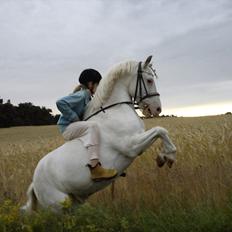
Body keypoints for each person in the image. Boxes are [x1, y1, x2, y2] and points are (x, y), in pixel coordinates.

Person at [56, 69, 118, 181]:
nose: (100, 88)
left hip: (73, 127)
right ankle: (95, 169)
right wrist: (75, 118)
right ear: (90, 84)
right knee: (92, 126)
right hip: (67, 128)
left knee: (96, 127)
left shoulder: (88, 97)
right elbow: (60, 103)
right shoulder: (82, 94)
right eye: (98, 84)